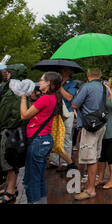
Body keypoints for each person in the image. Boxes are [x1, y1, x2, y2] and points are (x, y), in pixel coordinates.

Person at [20, 71, 62, 204]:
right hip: (44, 140)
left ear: (48, 83)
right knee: (38, 178)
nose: (39, 82)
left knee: (31, 180)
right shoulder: (53, 97)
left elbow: (24, 115)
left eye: (41, 80)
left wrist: (22, 97)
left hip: (38, 141)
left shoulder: (45, 98)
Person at [71, 68, 108, 200]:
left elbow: (74, 104)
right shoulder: (104, 88)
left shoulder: (86, 87)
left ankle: (90, 189)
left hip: (90, 126)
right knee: (95, 156)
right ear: (100, 75)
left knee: (90, 158)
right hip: (101, 124)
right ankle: (90, 184)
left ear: (87, 75)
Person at [0, 64, 29, 203]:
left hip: (11, 131)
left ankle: (11, 190)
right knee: (10, 161)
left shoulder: (14, 92)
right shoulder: (16, 89)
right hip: (14, 130)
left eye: (8, 72)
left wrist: (5, 126)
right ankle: (9, 186)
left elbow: (9, 114)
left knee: (10, 162)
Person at [48, 67, 78, 172]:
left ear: (69, 72)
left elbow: (69, 97)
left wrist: (60, 87)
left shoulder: (73, 84)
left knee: (66, 137)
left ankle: (66, 162)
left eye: (65, 70)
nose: (62, 71)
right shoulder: (55, 81)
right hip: (55, 112)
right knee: (53, 135)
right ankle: (54, 161)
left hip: (67, 112)